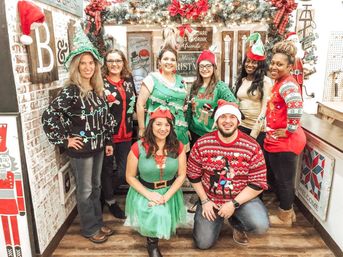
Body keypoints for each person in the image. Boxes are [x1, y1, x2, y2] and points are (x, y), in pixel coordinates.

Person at [41, 26, 114, 243]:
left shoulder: (97, 88)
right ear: (76, 66)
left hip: (99, 146)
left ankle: (98, 222)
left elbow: (105, 117)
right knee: (85, 190)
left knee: (97, 186)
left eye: (91, 63)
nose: (88, 67)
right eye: (83, 63)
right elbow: (49, 116)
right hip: (82, 150)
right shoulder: (71, 91)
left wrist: (108, 140)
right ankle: (90, 228)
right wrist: (65, 140)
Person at [187, 100, 269, 248]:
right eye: (223, 117)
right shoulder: (202, 143)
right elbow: (193, 174)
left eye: (232, 117)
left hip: (241, 200)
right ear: (216, 120)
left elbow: (258, 182)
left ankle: (237, 223)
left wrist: (233, 204)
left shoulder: (251, 146)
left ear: (238, 121)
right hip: (210, 200)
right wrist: (205, 201)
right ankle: (214, 220)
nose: (227, 121)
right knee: (203, 243)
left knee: (260, 225)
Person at [125, 107, 187, 257]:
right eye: (158, 124)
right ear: (151, 125)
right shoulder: (137, 147)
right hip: (144, 192)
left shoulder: (178, 147)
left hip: (169, 192)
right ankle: (151, 244)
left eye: (167, 125)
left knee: (162, 215)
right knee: (158, 215)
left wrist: (165, 197)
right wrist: (150, 195)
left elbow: (181, 175)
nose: (163, 129)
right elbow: (130, 177)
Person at [265, 40, 306, 226]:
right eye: (273, 63)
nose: (274, 66)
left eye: (279, 64)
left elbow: (296, 106)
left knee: (284, 181)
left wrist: (289, 129)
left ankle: (285, 216)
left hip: (285, 143)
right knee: (280, 178)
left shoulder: (287, 84)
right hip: (277, 141)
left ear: (289, 67)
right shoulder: (280, 82)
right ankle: (287, 210)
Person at [101, 49, 136, 219]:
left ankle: (103, 192)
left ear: (123, 62)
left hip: (127, 133)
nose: (114, 64)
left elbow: (134, 104)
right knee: (107, 169)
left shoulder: (128, 81)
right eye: (110, 61)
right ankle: (110, 200)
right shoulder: (101, 83)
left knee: (123, 171)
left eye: (118, 61)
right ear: (105, 64)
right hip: (108, 135)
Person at [136, 46, 189, 147]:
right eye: (165, 59)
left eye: (173, 59)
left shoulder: (182, 81)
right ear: (159, 62)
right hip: (156, 131)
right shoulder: (151, 79)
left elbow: (181, 107)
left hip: (179, 131)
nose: (169, 62)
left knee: (176, 161)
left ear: (176, 63)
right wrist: (142, 129)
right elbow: (140, 104)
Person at [188, 49, 237, 147]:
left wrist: (221, 119)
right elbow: (190, 108)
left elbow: (234, 104)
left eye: (208, 66)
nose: (204, 69)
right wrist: (187, 128)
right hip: (194, 132)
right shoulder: (195, 85)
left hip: (212, 133)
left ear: (214, 67)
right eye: (201, 66)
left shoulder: (220, 86)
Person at [235, 32, 272, 147]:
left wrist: (254, 134)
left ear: (260, 65)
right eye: (248, 61)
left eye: (254, 62)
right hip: (240, 127)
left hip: (256, 130)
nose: (249, 65)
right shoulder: (242, 80)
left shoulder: (265, 81)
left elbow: (265, 108)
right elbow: (237, 103)